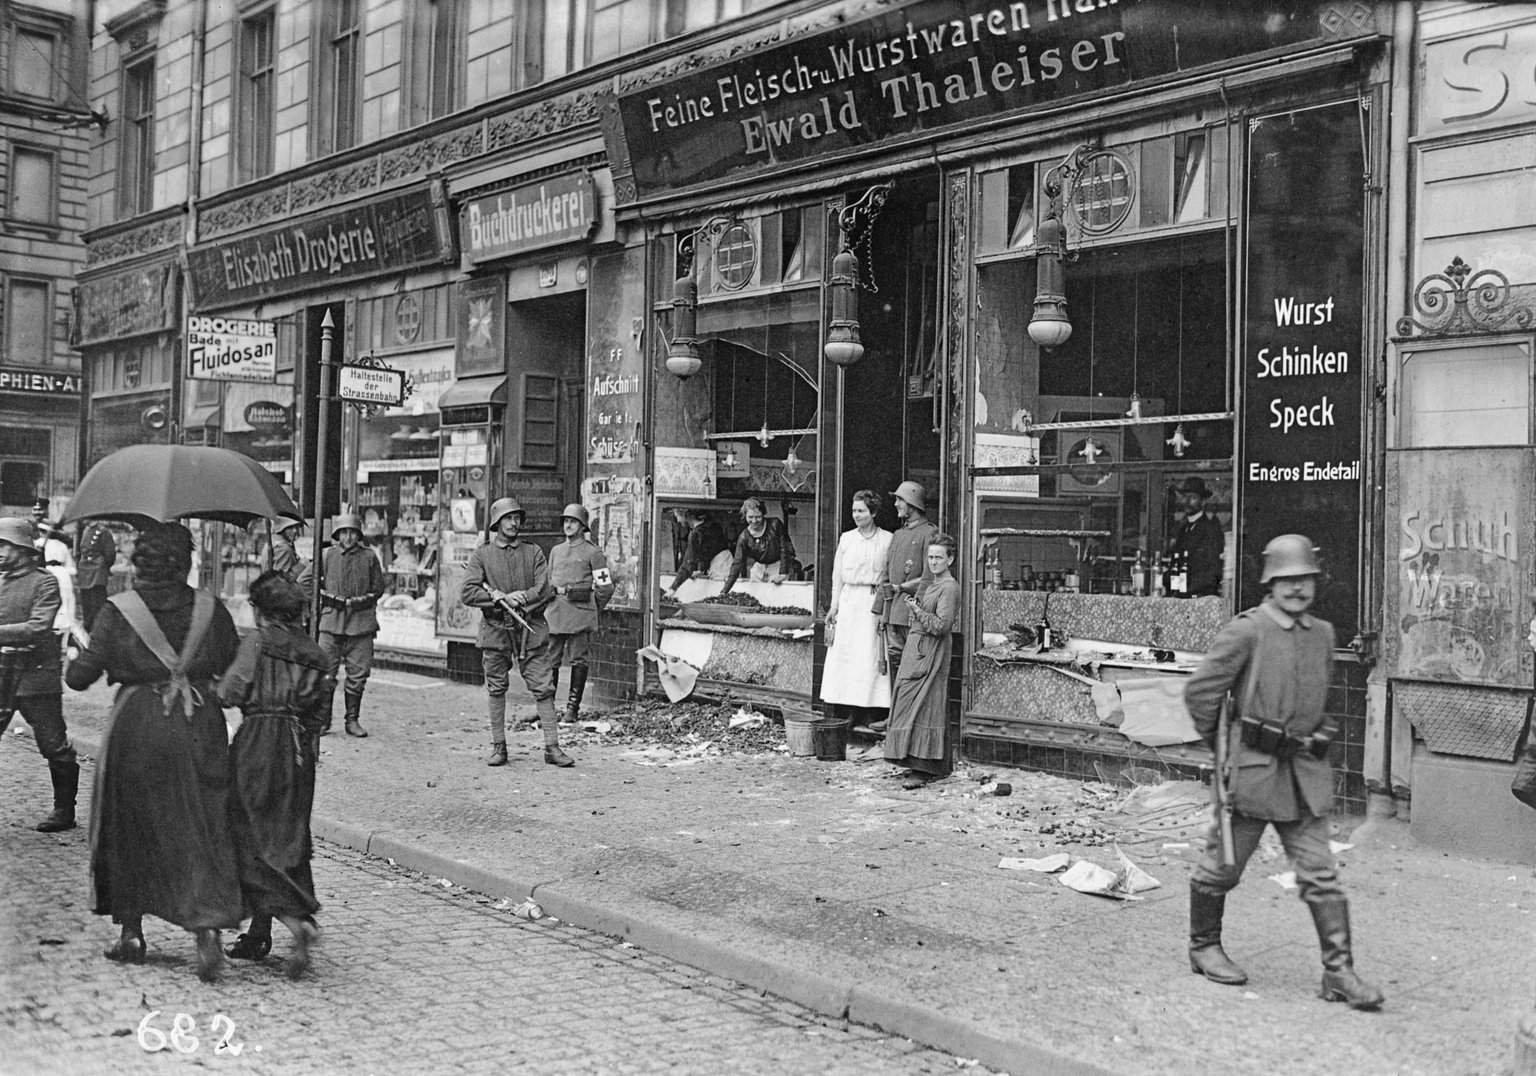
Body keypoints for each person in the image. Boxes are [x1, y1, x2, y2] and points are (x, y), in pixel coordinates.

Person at [1182, 533, 1383, 1010]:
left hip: (1305, 775)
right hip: (1251, 773)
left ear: (1316, 581)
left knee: (1321, 875)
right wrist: (1222, 747)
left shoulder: (1324, 634)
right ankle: (1203, 946)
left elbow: (1320, 701)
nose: (1297, 589)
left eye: (1305, 579)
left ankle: (1339, 973)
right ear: (1270, 582)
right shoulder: (1247, 630)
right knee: (1222, 868)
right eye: (1287, 580)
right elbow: (1201, 693)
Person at [65, 522, 243, 982]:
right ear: (185, 562)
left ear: (138, 560)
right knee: (201, 822)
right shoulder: (211, 609)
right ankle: (206, 929)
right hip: (198, 723)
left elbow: (80, 678)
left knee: (130, 825)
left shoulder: (118, 610)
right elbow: (233, 666)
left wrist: (76, 656)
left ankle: (131, 933)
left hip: (137, 725)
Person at [218, 571, 328, 977]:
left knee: (246, 832)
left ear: (261, 611)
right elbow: (321, 714)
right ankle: (258, 934)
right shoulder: (316, 652)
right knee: (288, 836)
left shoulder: (257, 642)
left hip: (258, 744)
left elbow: (231, 692)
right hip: (300, 750)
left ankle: (294, 920)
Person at [461, 496, 573, 768]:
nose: (513, 523)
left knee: (543, 687)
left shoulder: (533, 552)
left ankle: (552, 747)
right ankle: (499, 747)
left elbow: (544, 588)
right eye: (508, 518)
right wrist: (497, 600)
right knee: (497, 687)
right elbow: (468, 591)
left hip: (529, 628)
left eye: (517, 518)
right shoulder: (482, 555)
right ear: (496, 522)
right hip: (495, 629)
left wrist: (520, 598)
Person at [0, 517, 77, 832]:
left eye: (4, 545)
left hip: (36, 678)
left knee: (53, 746)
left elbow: (38, 626)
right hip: (2, 675)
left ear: (22, 547)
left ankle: (64, 810)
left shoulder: (45, 582)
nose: (0, 552)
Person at [883, 534, 960, 786]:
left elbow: (941, 625)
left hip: (931, 651)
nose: (934, 562)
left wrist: (916, 610)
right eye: (930, 557)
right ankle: (911, 759)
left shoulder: (949, 587)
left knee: (926, 705)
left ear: (951, 559)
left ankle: (925, 767)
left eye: (939, 557)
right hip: (917, 649)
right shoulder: (933, 582)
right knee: (908, 701)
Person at [300, 513, 385, 737]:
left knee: (358, 674)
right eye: (344, 532)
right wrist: (319, 600)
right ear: (337, 535)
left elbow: (378, 588)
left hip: (361, 623)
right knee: (325, 673)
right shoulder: (326, 555)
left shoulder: (369, 557)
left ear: (359, 535)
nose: (348, 537)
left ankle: (352, 719)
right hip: (331, 622)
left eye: (352, 532)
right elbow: (304, 582)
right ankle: (323, 719)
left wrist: (361, 600)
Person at [870, 480, 939, 731]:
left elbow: (930, 577)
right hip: (892, 613)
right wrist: (879, 609)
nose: (896, 504)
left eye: (900, 500)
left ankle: (911, 720)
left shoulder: (929, 533)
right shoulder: (898, 534)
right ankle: (895, 716)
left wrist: (902, 590)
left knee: (914, 668)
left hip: (914, 614)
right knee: (896, 666)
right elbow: (886, 573)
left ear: (911, 503)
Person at [820, 490, 893, 727]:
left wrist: (885, 608)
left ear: (872, 512)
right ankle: (849, 709)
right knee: (848, 656)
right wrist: (834, 605)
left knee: (870, 655)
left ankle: (872, 710)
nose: (856, 515)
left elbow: (889, 575)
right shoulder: (847, 538)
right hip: (849, 600)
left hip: (873, 601)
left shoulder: (887, 539)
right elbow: (837, 575)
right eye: (854, 511)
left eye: (861, 510)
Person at [547, 504, 615, 725]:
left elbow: (605, 587)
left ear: (582, 525)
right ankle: (547, 707)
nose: (568, 525)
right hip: (556, 612)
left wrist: (592, 608)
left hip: (580, 613)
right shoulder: (556, 551)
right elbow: (549, 582)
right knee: (551, 660)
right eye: (565, 521)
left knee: (578, 659)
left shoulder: (593, 553)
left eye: (573, 521)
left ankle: (572, 708)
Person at [721, 497, 797, 592]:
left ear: (763, 514)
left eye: (758, 517)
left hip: (778, 566)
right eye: (750, 517)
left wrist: (783, 573)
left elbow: (784, 548)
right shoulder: (744, 536)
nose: (754, 521)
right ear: (745, 516)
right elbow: (737, 563)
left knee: (776, 595)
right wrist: (725, 590)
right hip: (759, 568)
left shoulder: (775, 524)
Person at [1170, 477, 1224, 598]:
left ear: (1203, 502)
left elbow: (1213, 570)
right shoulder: (1183, 530)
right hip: (1182, 595)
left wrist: (1188, 589)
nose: (1187, 501)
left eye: (1193, 498)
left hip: (1201, 597)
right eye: (1185, 497)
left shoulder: (1210, 529)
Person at [663, 507, 729, 597]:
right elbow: (709, 552)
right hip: (726, 563)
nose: (678, 520)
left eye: (678, 516)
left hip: (721, 569)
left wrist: (673, 588)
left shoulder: (696, 533)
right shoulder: (712, 526)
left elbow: (689, 563)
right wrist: (702, 570)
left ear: (686, 515)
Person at [75, 517, 117, 631]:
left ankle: (99, 628)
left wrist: (103, 566)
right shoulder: (84, 530)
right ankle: (88, 627)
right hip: (84, 570)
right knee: (86, 601)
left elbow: (110, 553)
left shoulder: (102, 532)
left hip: (98, 571)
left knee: (97, 601)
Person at [270, 517, 305, 581]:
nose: (295, 531)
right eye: (290, 527)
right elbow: (281, 581)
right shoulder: (283, 549)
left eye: (296, 527)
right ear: (281, 529)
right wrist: (302, 565)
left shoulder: (272, 542)